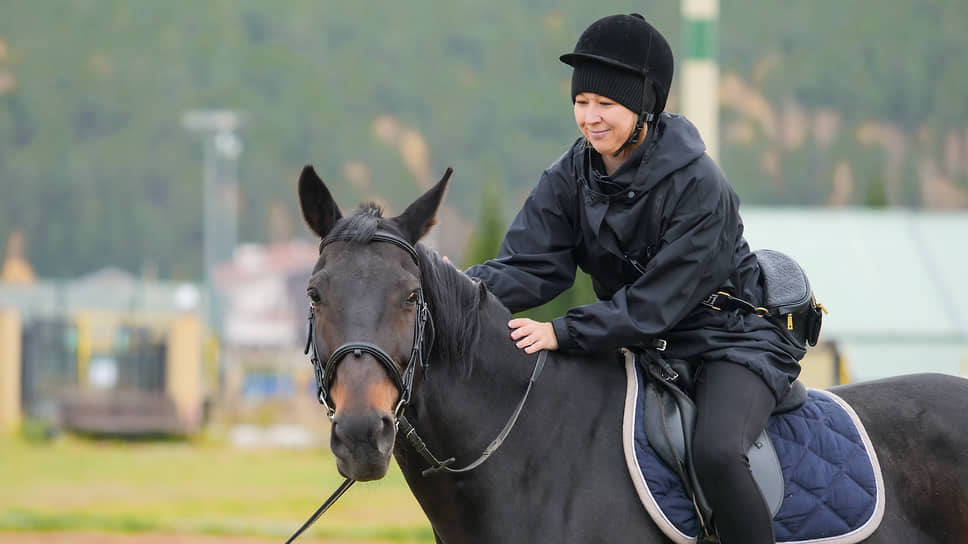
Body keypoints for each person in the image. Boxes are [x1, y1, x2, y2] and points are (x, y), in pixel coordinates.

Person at [464, 13, 805, 544]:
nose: (590, 118)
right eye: (581, 103)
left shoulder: (699, 185)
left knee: (716, 450)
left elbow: (655, 304)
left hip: (731, 341)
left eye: (607, 104)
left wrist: (561, 332)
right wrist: (443, 295)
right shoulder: (570, 173)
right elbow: (532, 265)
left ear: (645, 107)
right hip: (644, 343)